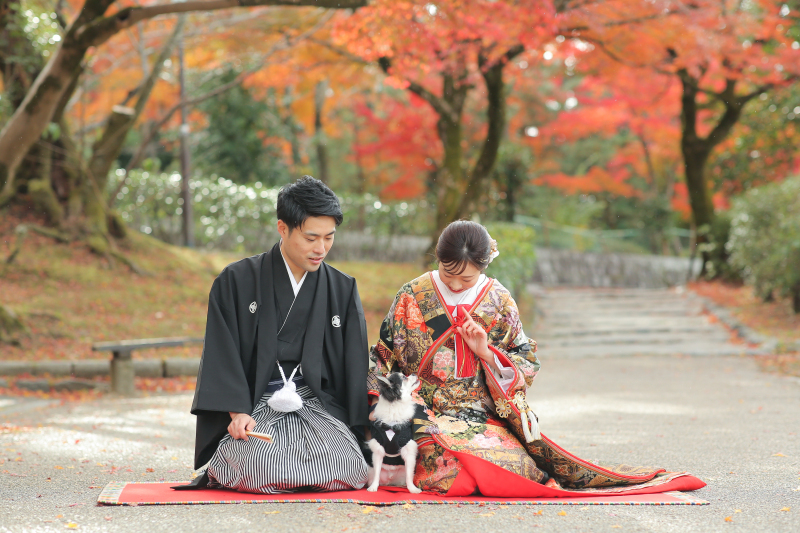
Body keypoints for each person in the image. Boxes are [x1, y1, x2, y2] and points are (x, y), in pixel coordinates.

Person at [368, 220, 689, 496]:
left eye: (465, 279)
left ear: (483, 265)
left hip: (476, 411)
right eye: (447, 273)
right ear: (437, 259)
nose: (453, 284)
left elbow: (525, 359)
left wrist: (487, 354)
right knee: (447, 468)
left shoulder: (498, 301)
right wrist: (379, 401)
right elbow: (382, 354)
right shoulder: (411, 294)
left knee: (514, 468)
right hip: (418, 407)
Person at [176, 176, 369, 494]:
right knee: (261, 466)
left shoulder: (342, 288)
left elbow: (354, 364)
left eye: (329, 238)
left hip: (315, 404)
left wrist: (362, 430)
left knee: (347, 467)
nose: (321, 249)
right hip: (256, 404)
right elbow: (221, 353)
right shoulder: (236, 281)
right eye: (310, 238)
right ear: (283, 228)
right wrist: (237, 411)